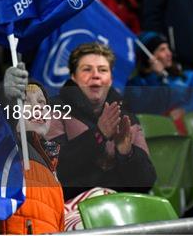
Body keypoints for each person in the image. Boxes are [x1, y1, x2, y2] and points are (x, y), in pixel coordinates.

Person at [46, 42, 156, 200]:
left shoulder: (126, 115)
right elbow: (55, 172)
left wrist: (127, 153)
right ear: (73, 77)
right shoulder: (53, 109)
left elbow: (146, 183)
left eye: (103, 70)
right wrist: (98, 135)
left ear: (110, 79)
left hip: (122, 207)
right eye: (87, 69)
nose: (95, 75)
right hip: (71, 209)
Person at [0, 69, 64, 234]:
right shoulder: (3, 144)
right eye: (25, 101)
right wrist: (4, 94)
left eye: (42, 102)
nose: (37, 108)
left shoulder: (50, 161)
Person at [125, 32, 193, 115]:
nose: (169, 53)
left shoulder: (188, 77)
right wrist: (154, 77)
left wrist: (184, 110)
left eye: (168, 48)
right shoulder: (135, 85)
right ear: (149, 56)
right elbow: (144, 109)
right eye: (162, 49)